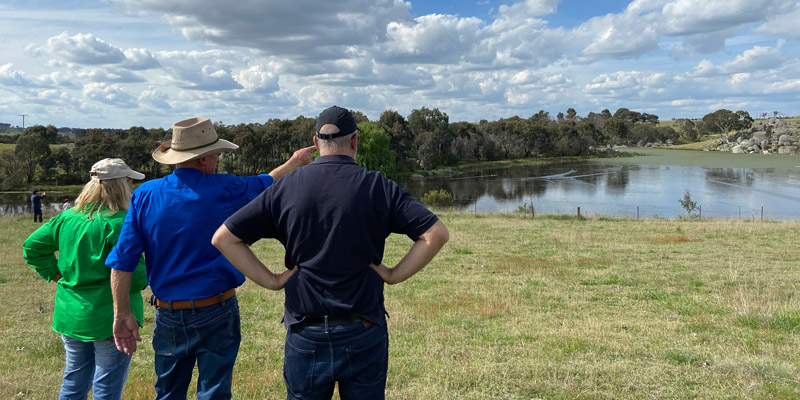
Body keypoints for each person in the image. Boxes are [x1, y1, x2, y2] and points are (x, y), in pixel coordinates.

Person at [212, 106, 450, 399]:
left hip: (306, 330)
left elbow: (224, 238)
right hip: (363, 327)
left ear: (316, 143)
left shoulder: (286, 187)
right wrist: (393, 274)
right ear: (355, 141)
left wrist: (273, 280)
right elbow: (436, 234)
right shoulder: (377, 186)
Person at [106, 117, 314, 399]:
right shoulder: (225, 189)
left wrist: (121, 313)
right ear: (203, 160)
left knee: (167, 392)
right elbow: (267, 183)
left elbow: (122, 261)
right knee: (215, 391)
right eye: (216, 153)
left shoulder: (144, 195)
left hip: (168, 313)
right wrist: (294, 163)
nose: (218, 160)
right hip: (218, 309)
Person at [22, 158, 147, 400]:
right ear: (122, 185)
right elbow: (137, 278)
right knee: (107, 388)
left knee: (74, 381)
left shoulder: (67, 217)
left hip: (71, 315)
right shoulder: (121, 223)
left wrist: (56, 275)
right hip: (111, 317)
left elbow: (32, 247)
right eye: (130, 182)